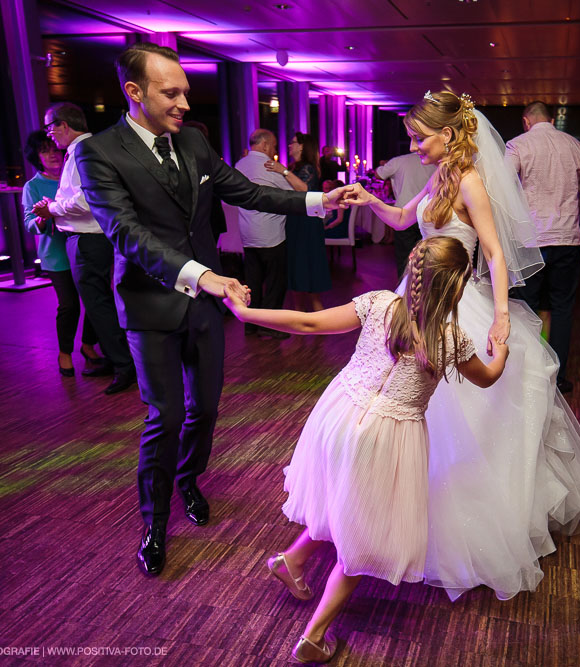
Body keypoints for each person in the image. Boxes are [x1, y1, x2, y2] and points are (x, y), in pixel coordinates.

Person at [342, 90, 580, 602]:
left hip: (460, 304)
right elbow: (402, 220)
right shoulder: (440, 176)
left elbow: (494, 253)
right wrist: (369, 200)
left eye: (420, 138)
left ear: (448, 134)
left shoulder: (468, 180)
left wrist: (503, 318)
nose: (415, 146)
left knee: (469, 419)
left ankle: (463, 521)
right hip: (423, 298)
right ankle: (409, 510)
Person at [76, 43, 349, 577]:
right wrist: (203, 275)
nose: (183, 102)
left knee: (204, 410)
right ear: (134, 93)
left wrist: (321, 201)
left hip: (206, 303)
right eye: (170, 92)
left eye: (185, 91)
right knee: (166, 415)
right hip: (153, 302)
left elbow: (248, 192)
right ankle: (154, 522)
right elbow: (126, 234)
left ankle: (189, 478)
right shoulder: (98, 153)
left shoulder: (195, 141)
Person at [224, 237, 508, 663]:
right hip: (387, 436)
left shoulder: (378, 304)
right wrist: (501, 350)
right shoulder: (450, 338)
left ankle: (293, 560)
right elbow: (487, 378)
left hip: (339, 415)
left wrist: (245, 313)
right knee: (368, 537)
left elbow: (307, 323)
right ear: (455, 289)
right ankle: (316, 635)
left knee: (344, 502)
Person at [31, 102, 136, 394]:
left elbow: (86, 201)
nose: (49, 135)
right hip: (93, 239)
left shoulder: (82, 151)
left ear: (64, 125)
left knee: (99, 306)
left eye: (50, 127)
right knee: (100, 304)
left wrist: (51, 208)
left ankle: (124, 365)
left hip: (87, 239)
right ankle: (118, 361)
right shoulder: (90, 149)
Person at [506, 101, 580, 393]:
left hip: (530, 240)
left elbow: (503, 188)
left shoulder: (518, 145)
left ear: (526, 121)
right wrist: (572, 207)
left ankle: (526, 374)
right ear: (550, 118)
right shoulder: (574, 145)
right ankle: (558, 377)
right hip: (567, 240)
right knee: (562, 309)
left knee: (527, 308)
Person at [21, 130, 104, 376]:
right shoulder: (33, 186)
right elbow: (28, 223)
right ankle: (64, 352)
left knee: (95, 301)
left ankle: (88, 345)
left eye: (54, 149)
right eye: (45, 151)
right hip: (56, 255)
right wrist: (42, 218)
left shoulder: (73, 174)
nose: (53, 155)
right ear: (37, 157)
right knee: (69, 306)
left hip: (83, 247)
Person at [234, 128, 292, 339]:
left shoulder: (239, 165)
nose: (274, 150)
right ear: (266, 144)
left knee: (253, 282)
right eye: (274, 146)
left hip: (248, 234)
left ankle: (250, 325)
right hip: (271, 234)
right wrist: (284, 171)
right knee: (276, 282)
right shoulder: (269, 167)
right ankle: (270, 326)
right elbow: (293, 193)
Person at [267, 132, 330, 312]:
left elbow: (304, 189)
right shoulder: (295, 168)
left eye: (293, 142)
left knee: (307, 268)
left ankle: (320, 322)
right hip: (295, 221)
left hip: (306, 223)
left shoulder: (308, 168)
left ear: (302, 146)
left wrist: (283, 171)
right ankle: (300, 320)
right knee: (297, 268)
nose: (289, 145)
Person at [374, 151, 436, 277]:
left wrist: (384, 164)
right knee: (427, 255)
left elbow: (378, 174)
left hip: (404, 213)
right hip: (428, 212)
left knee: (404, 255)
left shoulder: (397, 161)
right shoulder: (433, 161)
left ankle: (405, 289)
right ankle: (424, 288)